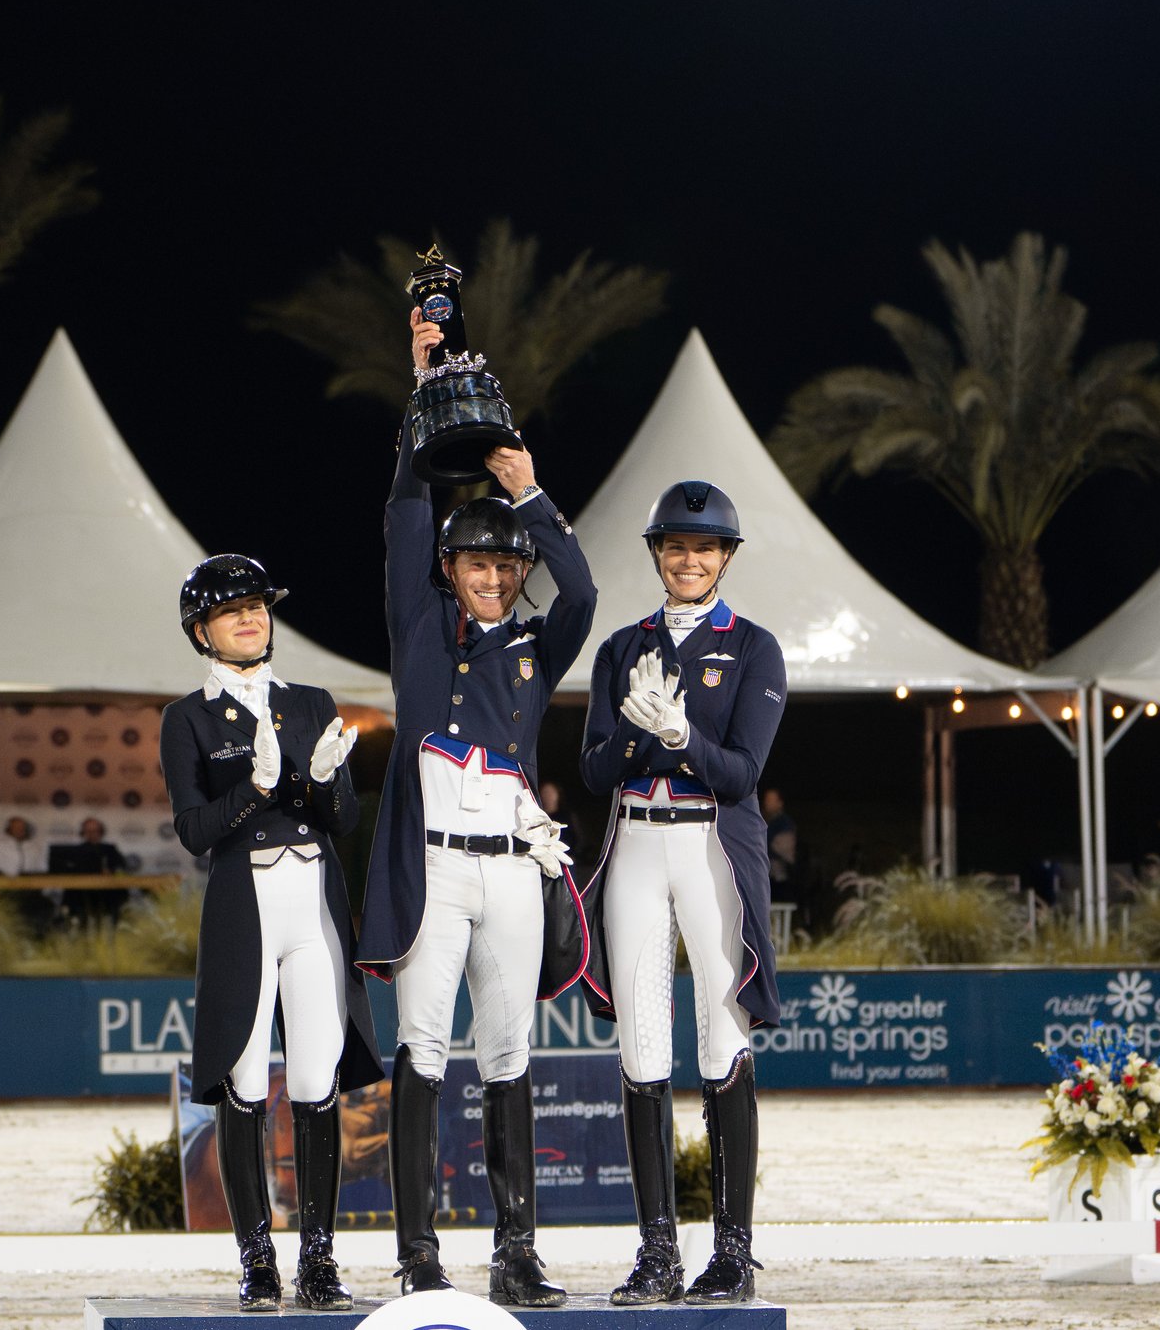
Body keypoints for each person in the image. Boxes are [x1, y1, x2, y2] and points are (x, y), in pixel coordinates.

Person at [355, 304, 596, 1305]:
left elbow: (579, 591)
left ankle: (515, 1247)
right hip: (435, 866)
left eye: (507, 564)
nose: (495, 576)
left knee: (506, 1052)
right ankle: (417, 1250)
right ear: (449, 571)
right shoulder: (419, 628)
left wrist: (528, 491)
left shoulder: (539, 647)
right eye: (478, 562)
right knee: (419, 1051)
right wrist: (421, 393)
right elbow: (405, 512)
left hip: (509, 867)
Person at [577, 480, 786, 1305]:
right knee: (641, 1042)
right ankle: (657, 1250)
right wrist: (637, 731)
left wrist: (679, 735)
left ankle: (732, 1250)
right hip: (635, 839)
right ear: (657, 554)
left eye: (704, 548)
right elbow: (595, 769)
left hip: (708, 843)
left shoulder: (755, 647)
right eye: (675, 546)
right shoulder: (620, 648)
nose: (689, 559)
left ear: (725, 557)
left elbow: (741, 772)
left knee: (719, 1039)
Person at [160, 554, 384, 1312]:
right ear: (203, 630)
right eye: (233, 610)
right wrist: (253, 789)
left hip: (314, 898)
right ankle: (257, 1257)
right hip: (244, 899)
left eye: (257, 606)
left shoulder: (312, 700)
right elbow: (193, 830)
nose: (251, 618)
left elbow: (346, 818)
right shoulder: (186, 717)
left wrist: (320, 784)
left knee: (318, 1081)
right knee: (247, 1083)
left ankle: (318, 1258)